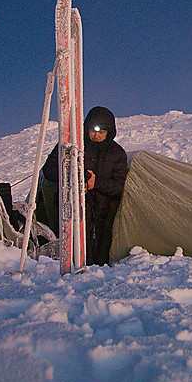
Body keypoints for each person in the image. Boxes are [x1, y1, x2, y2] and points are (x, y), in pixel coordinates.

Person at [37, 106, 127, 265]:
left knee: (100, 257)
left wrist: (95, 183)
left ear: (109, 131)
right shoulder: (72, 145)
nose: (96, 135)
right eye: (94, 130)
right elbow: (49, 169)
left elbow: (119, 187)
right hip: (71, 209)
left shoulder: (117, 153)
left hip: (102, 214)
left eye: (102, 131)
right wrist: (73, 177)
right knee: (72, 255)